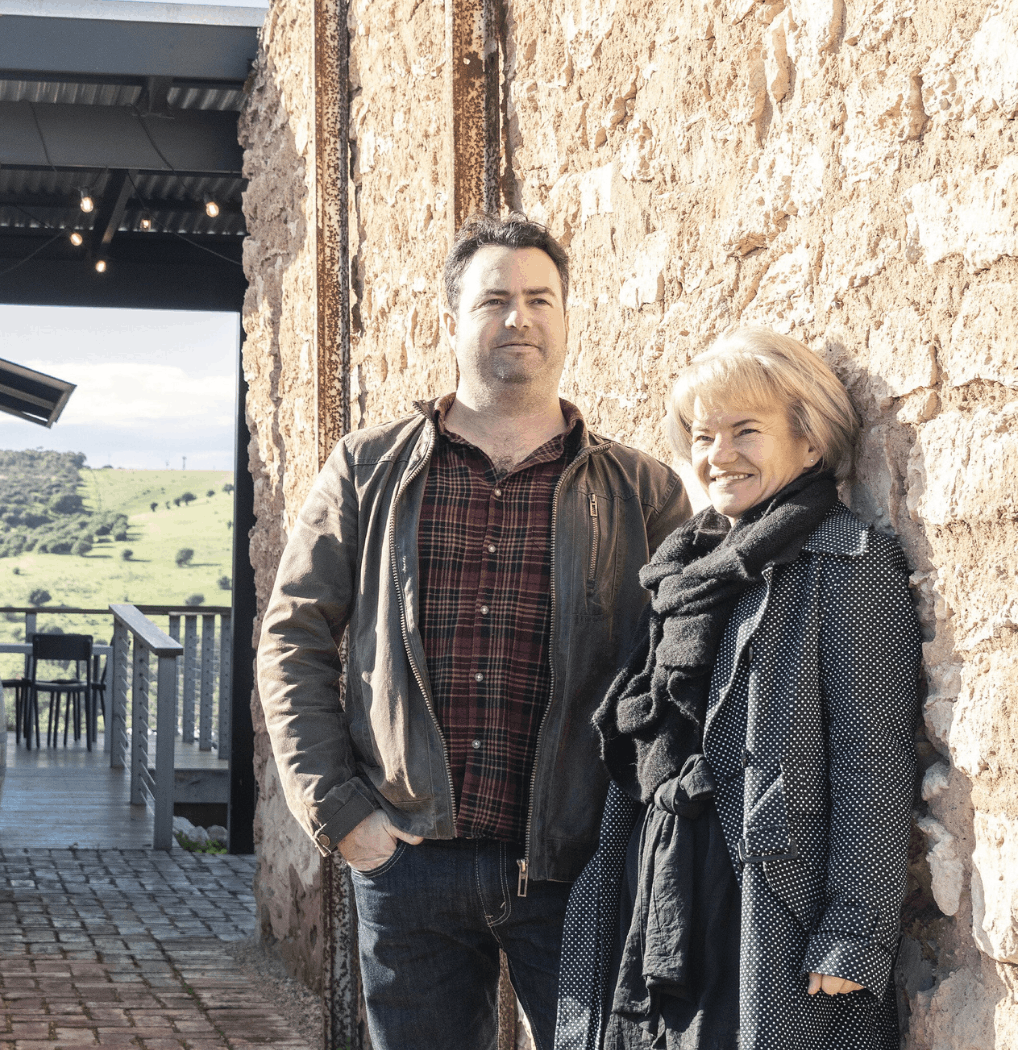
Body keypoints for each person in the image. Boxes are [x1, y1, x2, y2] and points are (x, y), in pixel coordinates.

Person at [256, 215, 690, 1049]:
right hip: (408, 856)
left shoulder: (646, 492)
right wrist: (340, 810)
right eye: (494, 300)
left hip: (580, 868)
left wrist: (642, 833)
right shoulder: (366, 469)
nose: (518, 318)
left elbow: (681, 675)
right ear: (450, 320)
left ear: (565, 318)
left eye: (539, 299)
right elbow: (294, 639)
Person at [553, 328, 922, 1050]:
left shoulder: (847, 562)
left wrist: (855, 929)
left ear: (810, 442)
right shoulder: (684, 570)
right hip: (660, 887)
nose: (718, 454)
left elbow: (872, 761)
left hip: (765, 905)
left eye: (745, 431)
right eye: (702, 434)